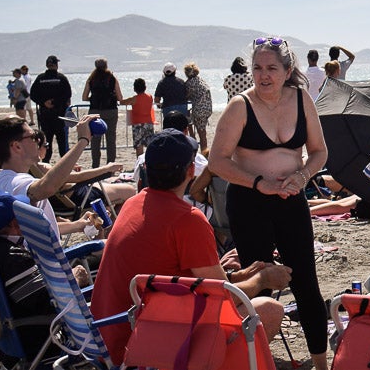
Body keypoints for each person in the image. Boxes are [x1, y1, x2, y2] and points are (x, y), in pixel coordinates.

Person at [91, 129, 290, 366]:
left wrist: (236, 276)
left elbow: (182, 280)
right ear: (190, 171)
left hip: (112, 334)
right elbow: (222, 298)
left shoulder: (133, 204)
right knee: (269, 309)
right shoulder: (188, 220)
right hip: (145, 344)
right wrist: (263, 279)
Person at [208, 37, 330, 370]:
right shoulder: (240, 105)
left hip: (291, 199)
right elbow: (217, 161)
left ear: (288, 71)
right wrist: (258, 183)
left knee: (306, 282)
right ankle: (254, 361)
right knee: (257, 282)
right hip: (249, 203)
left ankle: (320, 363)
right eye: (257, 68)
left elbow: (320, 152)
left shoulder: (302, 99)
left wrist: (303, 177)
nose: (263, 75)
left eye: (271, 68)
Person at [0, 190, 93, 365]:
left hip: (7, 339)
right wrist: (75, 278)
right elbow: (47, 303)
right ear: (15, 223)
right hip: (37, 342)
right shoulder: (11, 258)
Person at [0, 115, 113, 235]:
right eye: (33, 136)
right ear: (17, 146)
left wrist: (78, 225)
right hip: (43, 258)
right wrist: (83, 141)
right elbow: (46, 187)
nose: (38, 140)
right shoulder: (16, 182)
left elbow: (35, 229)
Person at [29, 56, 72, 160]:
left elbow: (33, 94)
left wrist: (44, 103)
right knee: (62, 142)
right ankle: (64, 163)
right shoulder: (61, 78)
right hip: (59, 114)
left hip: (45, 114)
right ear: (56, 65)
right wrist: (55, 102)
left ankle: (46, 161)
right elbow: (68, 94)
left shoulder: (40, 78)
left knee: (46, 140)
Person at [82, 58, 122, 168]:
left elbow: (84, 97)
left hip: (95, 111)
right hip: (110, 111)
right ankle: (110, 165)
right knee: (111, 139)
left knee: (95, 140)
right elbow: (120, 97)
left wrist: (92, 98)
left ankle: (95, 165)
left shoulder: (91, 79)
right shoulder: (112, 78)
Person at [119, 78, 155, 156]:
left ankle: (140, 164)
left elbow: (122, 102)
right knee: (149, 144)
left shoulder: (134, 98)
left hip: (138, 124)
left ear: (135, 88)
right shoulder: (150, 97)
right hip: (149, 122)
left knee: (139, 145)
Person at [183, 63, 214, 153]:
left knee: (188, 120)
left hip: (199, 109)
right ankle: (204, 151)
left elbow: (186, 96)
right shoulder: (200, 80)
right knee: (203, 132)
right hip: (207, 108)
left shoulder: (189, 83)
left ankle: (192, 138)